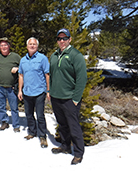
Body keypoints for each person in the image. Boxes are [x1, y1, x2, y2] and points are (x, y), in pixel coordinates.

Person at [49, 28, 87, 165]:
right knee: (62, 125)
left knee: (73, 126)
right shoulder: (54, 55)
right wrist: (50, 91)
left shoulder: (75, 55)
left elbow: (82, 79)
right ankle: (65, 146)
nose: (62, 41)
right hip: (56, 97)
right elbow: (52, 75)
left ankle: (78, 153)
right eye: (59, 39)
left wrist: (76, 98)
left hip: (70, 99)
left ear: (70, 39)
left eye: (65, 38)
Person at [18, 37, 50, 148]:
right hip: (27, 92)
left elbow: (47, 75)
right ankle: (32, 132)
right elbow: (21, 75)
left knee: (40, 115)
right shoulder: (23, 60)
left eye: (34, 44)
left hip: (39, 91)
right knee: (29, 114)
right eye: (30, 44)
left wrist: (48, 90)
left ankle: (42, 136)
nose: (32, 46)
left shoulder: (42, 58)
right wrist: (20, 90)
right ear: (27, 46)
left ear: (37, 46)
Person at [0, 37, 20, 132]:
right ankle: (4, 122)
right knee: (1, 106)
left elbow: (24, 67)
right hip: (0, 87)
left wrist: (18, 69)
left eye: (5, 45)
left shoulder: (15, 57)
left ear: (9, 46)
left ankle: (16, 125)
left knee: (14, 107)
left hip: (12, 87)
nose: (4, 47)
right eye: (2, 45)